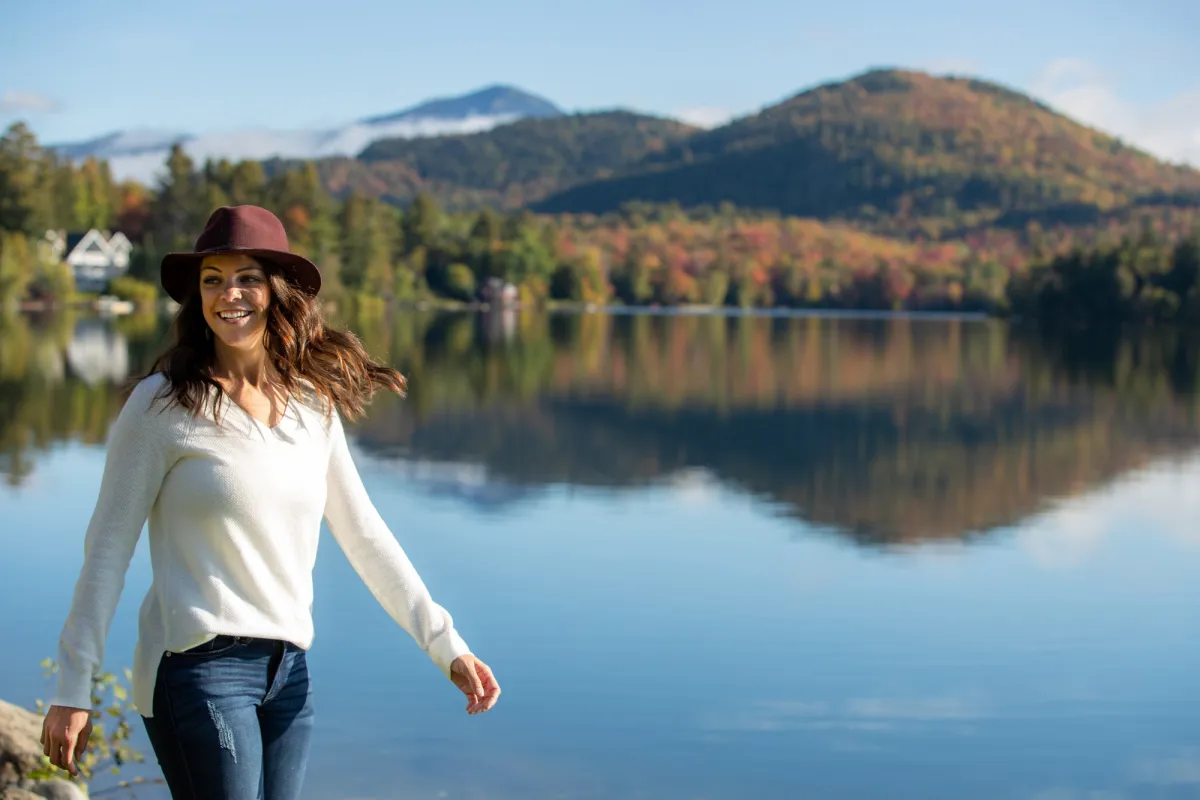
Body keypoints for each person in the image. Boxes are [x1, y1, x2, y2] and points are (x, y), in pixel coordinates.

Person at [40, 205, 500, 799]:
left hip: (289, 673)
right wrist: (74, 685)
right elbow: (106, 551)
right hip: (197, 666)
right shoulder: (162, 406)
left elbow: (366, 536)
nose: (228, 294)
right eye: (212, 280)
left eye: (246, 278)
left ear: (277, 292)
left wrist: (447, 646)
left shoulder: (312, 405)